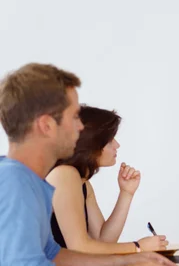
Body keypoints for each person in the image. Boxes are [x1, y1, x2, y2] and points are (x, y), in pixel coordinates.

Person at [0, 63, 179, 266]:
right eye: (74, 117)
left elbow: (54, 256)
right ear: (47, 126)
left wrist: (133, 261)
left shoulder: (29, 182)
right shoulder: (13, 182)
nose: (81, 128)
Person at [48, 105, 166, 254]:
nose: (117, 145)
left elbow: (102, 241)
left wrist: (126, 193)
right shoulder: (64, 175)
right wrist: (138, 247)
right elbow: (79, 247)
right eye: (110, 140)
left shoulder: (83, 183)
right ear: (91, 143)